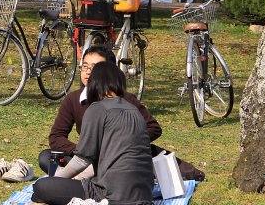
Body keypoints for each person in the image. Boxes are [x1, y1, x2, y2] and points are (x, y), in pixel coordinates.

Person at [38, 45, 205, 181]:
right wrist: (83, 151)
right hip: (87, 158)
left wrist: (122, 144)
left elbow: (153, 128)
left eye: (95, 68)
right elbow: (56, 137)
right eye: (85, 67)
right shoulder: (73, 99)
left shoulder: (125, 99)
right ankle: (88, 173)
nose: (88, 73)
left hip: (123, 158)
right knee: (47, 157)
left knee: (149, 162)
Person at [32, 62, 154, 205]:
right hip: (145, 195)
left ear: (94, 84)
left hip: (109, 195)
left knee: (41, 187)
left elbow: (83, 159)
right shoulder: (133, 109)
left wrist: (59, 179)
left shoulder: (97, 108)